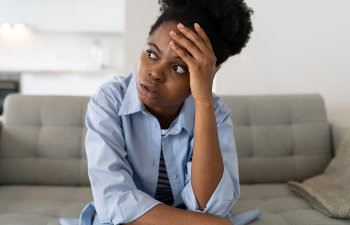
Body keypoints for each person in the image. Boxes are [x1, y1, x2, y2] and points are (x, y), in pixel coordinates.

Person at [60, 0, 261, 225]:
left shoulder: (215, 112)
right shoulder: (108, 101)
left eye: (178, 68)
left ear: (206, 74)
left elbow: (211, 207)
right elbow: (113, 200)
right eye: (151, 54)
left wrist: (204, 99)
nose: (154, 72)